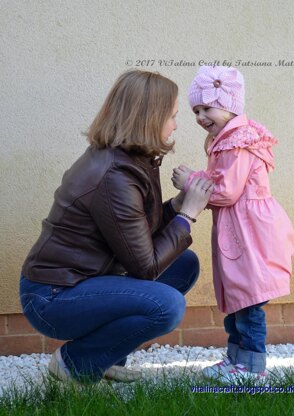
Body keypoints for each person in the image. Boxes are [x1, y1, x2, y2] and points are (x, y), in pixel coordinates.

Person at [20, 70, 214, 383]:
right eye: (173, 116)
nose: (176, 125)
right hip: (52, 297)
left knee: (184, 264)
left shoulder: (129, 159)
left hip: (83, 282)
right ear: (150, 117)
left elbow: (138, 232)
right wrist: (187, 216)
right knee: (167, 305)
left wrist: (177, 206)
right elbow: (146, 267)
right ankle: (74, 364)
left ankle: (102, 358)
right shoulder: (115, 176)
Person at [172, 65, 294, 381]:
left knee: (250, 303)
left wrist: (191, 182)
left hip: (251, 234)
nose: (199, 116)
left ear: (228, 105)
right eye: (195, 110)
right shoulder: (226, 138)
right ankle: (236, 360)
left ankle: (253, 370)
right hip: (239, 230)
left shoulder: (237, 141)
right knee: (238, 303)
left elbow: (226, 191)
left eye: (206, 107)